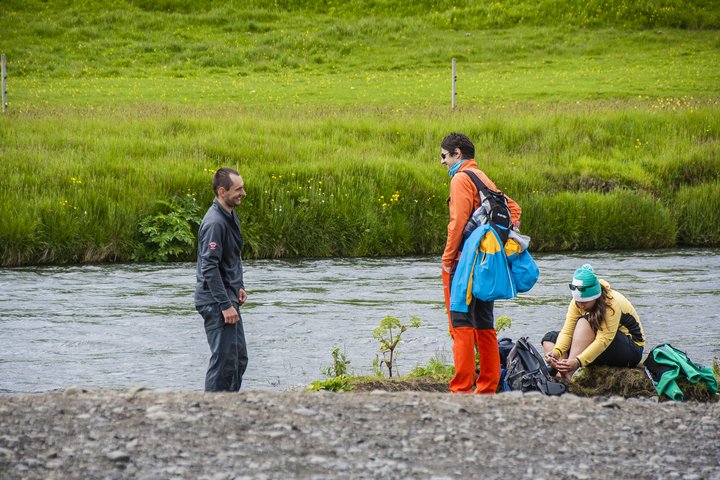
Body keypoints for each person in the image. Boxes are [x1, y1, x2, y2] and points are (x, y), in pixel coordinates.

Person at [440, 132, 522, 394]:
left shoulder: (460, 179)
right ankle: (487, 386)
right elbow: (515, 210)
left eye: (444, 156)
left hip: (466, 262)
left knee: (460, 320)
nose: (442, 162)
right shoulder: (482, 177)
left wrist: (448, 258)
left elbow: (458, 223)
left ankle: (461, 389)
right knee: (484, 321)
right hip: (489, 262)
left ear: (457, 153)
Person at [195, 167, 249, 392]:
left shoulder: (229, 215)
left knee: (238, 359)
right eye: (238, 189)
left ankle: (230, 407)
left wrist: (239, 286)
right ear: (221, 191)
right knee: (224, 360)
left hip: (229, 295)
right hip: (215, 301)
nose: (243, 193)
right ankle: (212, 411)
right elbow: (209, 267)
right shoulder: (215, 223)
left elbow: (231, 256)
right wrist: (225, 305)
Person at [542, 264, 645, 381]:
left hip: (631, 348)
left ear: (595, 297)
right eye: (578, 301)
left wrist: (577, 361)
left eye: (584, 302)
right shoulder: (577, 303)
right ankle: (559, 372)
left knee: (585, 323)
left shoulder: (612, 303)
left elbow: (603, 340)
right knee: (550, 339)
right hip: (604, 345)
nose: (580, 305)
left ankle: (568, 372)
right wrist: (557, 352)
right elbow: (567, 332)